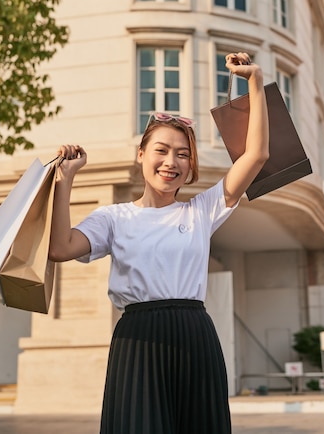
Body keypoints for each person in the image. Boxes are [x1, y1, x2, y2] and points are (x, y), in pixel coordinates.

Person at [49, 51, 269, 434]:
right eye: (162, 151)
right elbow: (60, 248)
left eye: (182, 155)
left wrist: (255, 82)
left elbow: (257, 154)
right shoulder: (113, 217)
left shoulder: (201, 210)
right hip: (138, 341)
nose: (172, 162)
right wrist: (65, 180)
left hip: (194, 336)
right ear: (141, 155)